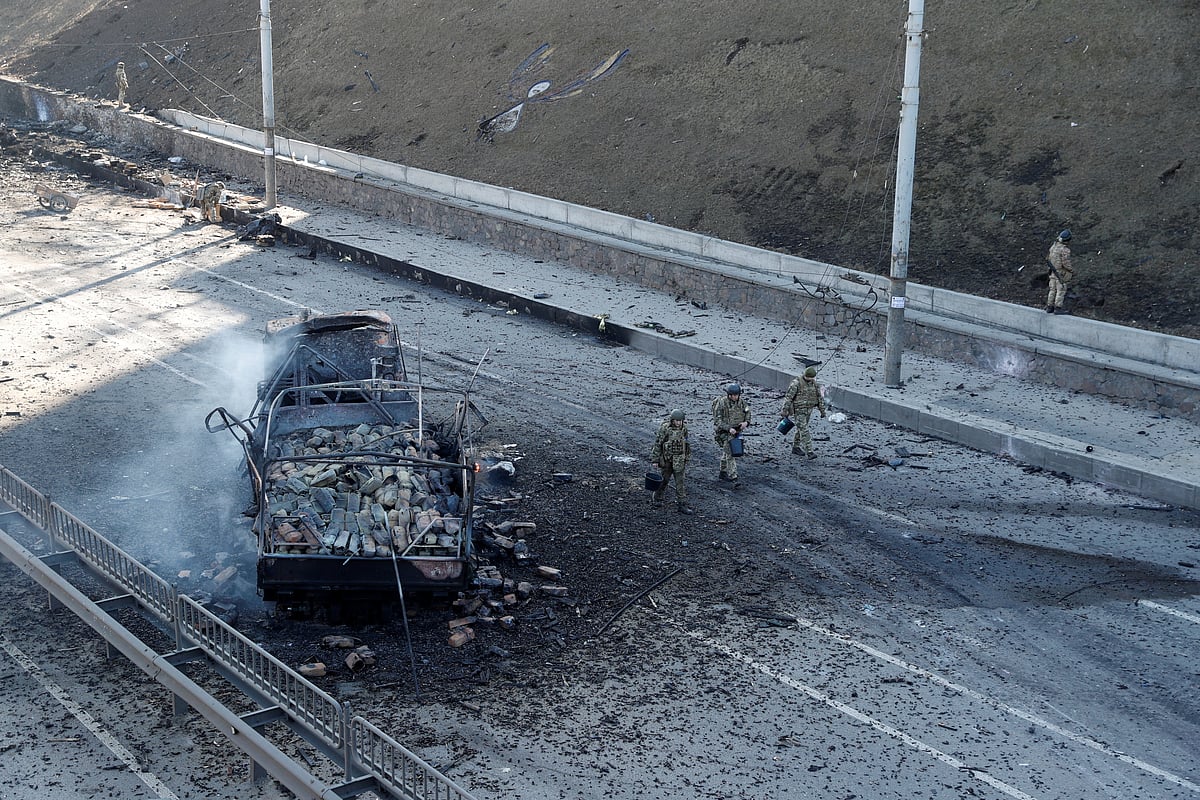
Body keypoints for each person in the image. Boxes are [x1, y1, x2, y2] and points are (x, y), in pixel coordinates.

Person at [650, 409, 693, 514]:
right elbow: (658, 444)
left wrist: (687, 457)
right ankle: (657, 498)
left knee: (680, 483)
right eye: (676, 421)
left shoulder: (684, 429)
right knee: (664, 480)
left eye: (680, 421)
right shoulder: (665, 429)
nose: (678, 423)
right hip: (667, 460)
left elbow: (686, 444)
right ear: (672, 420)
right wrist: (655, 459)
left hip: (679, 460)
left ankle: (681, 504)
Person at [781, 366, 826, 459]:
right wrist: (784, 410)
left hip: (809, 410)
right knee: (804, 430)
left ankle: (795, 447)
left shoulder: (815, 384)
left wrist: (822, 411)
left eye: (811, 377)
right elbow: (788, 398)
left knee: (800, 429)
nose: (810, 379)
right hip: (799, 411)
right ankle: (809, 451)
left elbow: (819, 398)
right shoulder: (796, 384)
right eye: (809, 377)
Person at [712, 382, 750, 486]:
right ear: (729, 395)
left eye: (737, 395)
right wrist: (728, 428)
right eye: (733, 395)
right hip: (724, 433)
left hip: (736, 432)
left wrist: (746, 422)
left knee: (726, 452)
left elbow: (747, 413)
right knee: (730, 453)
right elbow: (717, 420)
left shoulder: (742, 403)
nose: (735, 397)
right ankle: (734, 477)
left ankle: (722, 472)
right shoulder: (722, 403)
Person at [1046, 229, 1074, 314]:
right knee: (1061, 290)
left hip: (1052, 272)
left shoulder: (1054, 246)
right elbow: (1066, 263)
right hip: (1060, 273)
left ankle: (1049, 306)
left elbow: (1049, 258)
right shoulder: (1065, 250)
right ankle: (1058, 308)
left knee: (1052, 289)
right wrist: (1071, 270)